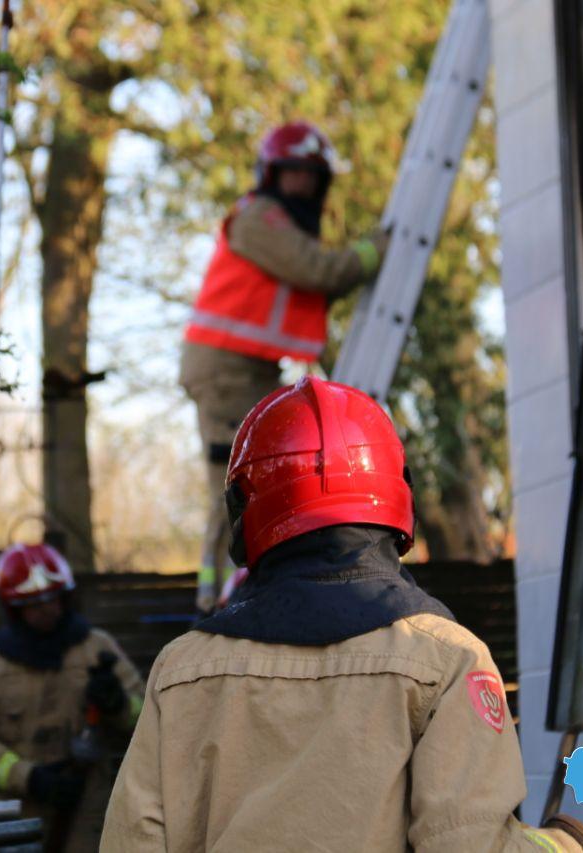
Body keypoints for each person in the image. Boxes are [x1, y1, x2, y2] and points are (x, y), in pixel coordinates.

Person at [101, 377, 583, 853]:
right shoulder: (448, 661)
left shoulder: (182, 671)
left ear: (244, 507)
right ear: (398, 494)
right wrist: (570, 848)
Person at [180, 119, 393, 612]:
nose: (302, 184)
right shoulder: (260, 218)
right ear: (271, 174)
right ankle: (217, 602)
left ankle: (233, 592)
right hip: (226, 371)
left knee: (253, 484)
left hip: (245, 369)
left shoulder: (276, 222)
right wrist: (378, 249)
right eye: (293, 172)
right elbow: (319, 271)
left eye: (311, 176)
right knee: (236, 489)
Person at [0, 542, 145, 853]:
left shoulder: (96, 647)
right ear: (13, 608)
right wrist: (30, 779)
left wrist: (117, 704)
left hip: (85, 811)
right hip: (17, 813)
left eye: (53, 598)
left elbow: (148, 719)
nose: (48, 609)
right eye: (34, 603)